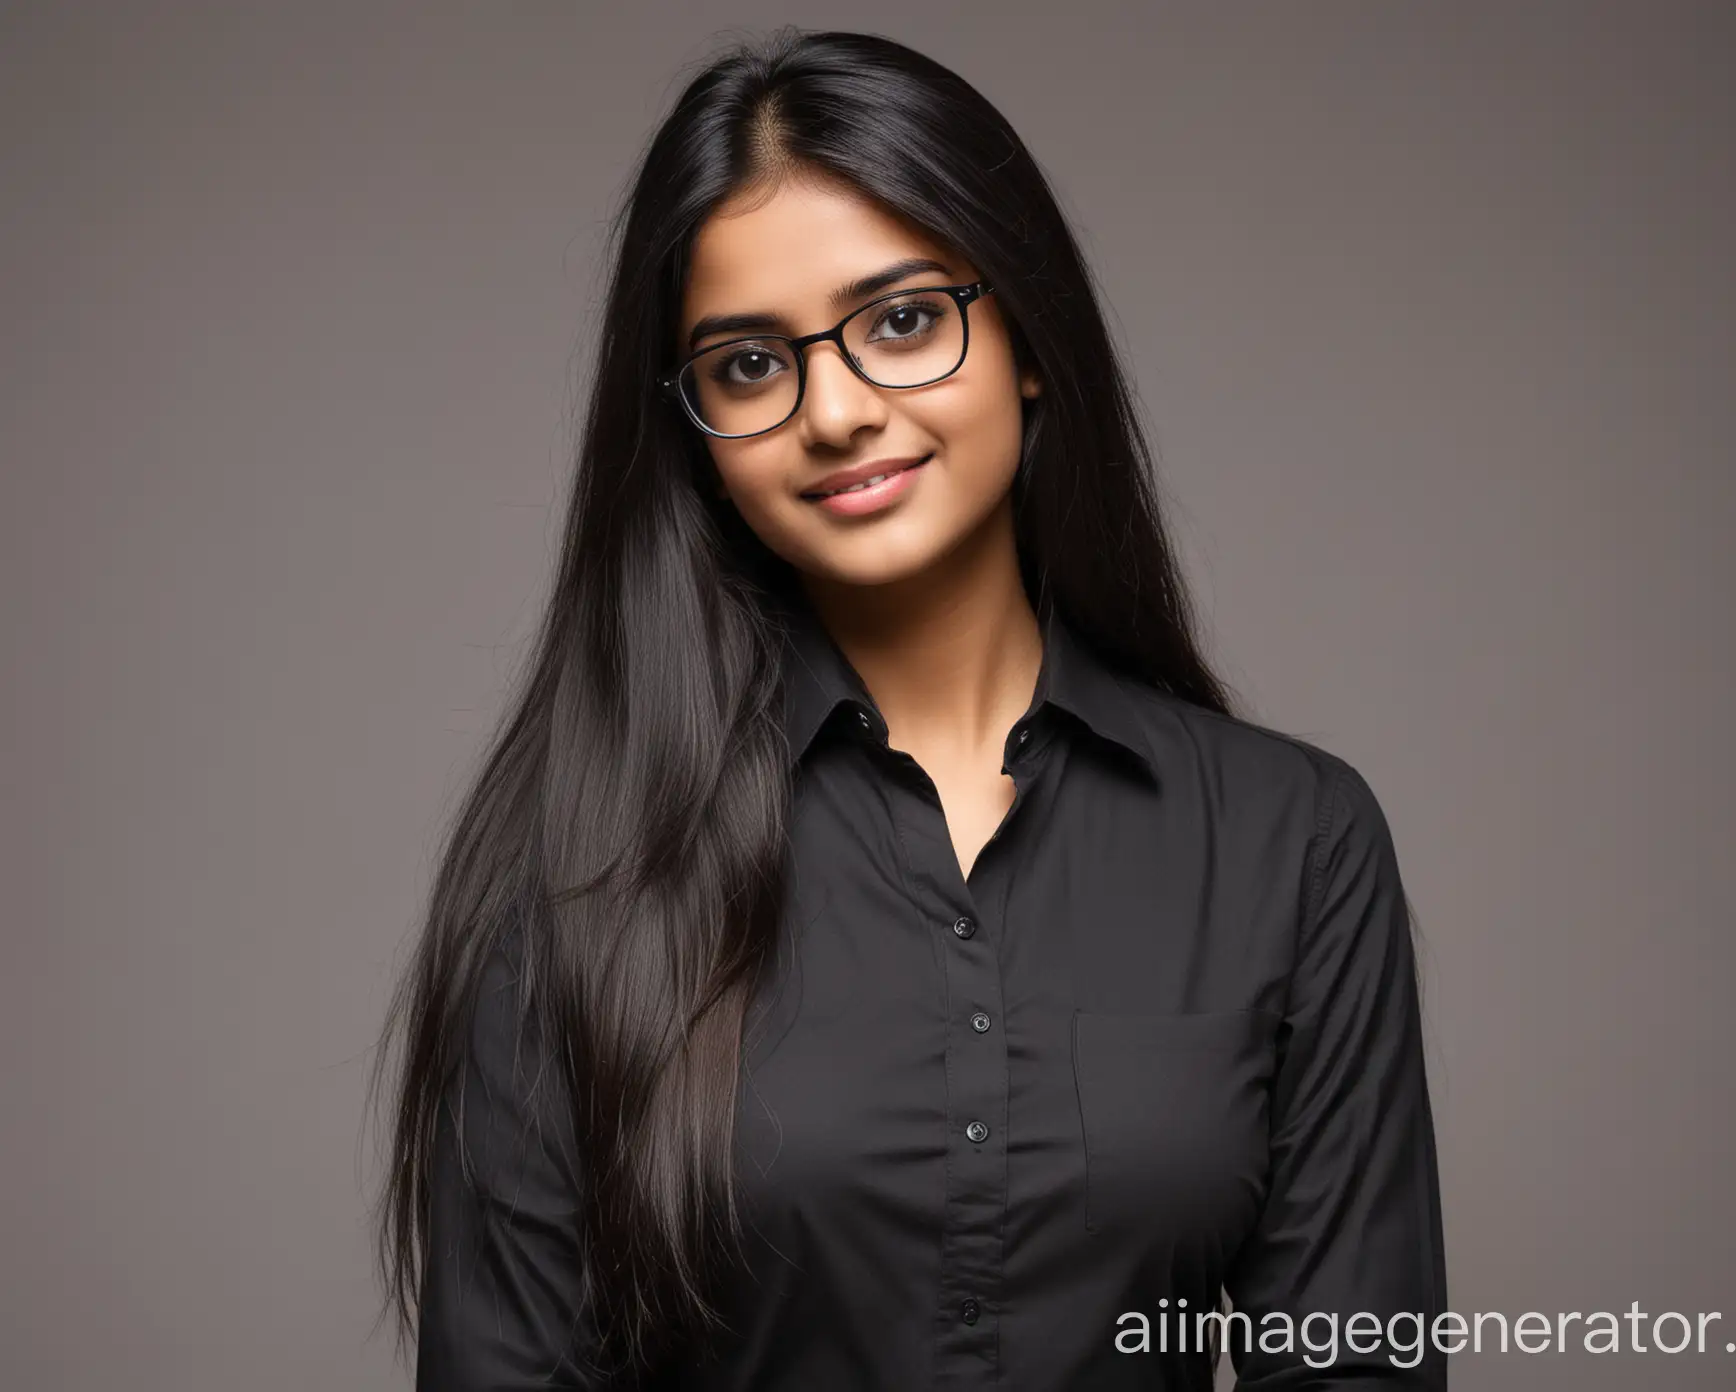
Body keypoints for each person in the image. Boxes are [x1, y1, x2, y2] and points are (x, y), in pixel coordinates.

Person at [371, 26, 1447, 1391]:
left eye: (900, 320)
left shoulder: (1292, 845)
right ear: (696, 439)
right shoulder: (575, 870)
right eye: (749, 365)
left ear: (1027, 338)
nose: (833, 410)